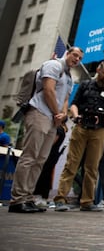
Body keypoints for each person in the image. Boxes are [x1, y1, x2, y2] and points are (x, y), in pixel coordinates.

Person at [8, 47, 83, 213]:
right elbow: (48, 90)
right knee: (29, 156)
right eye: (75, 55)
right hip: (39, 113)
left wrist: (62, 115)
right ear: (68, 54)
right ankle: (17, 200)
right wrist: (57, 113)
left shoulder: (69, 77)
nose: (77, 59)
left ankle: (27, 197)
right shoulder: (53, 65)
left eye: (80, 58)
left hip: (53, 120)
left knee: (40, 159)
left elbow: (64, 99)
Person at [54, 60, 104, 212]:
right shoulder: (85, 85)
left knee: (92, 167)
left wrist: (103, 118)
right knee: (72, 163)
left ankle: (87, 201)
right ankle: (60, 199)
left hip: (100, 130)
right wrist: (76, 116)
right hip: (81, 127)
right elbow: (74, 104)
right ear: (98, 70)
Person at [33, 124, 67, 208]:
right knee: (46, 175)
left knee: (44, 175)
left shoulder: (59, 129)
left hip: (50, 154)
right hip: (52, 154)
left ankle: (40, 196)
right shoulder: (61, 129)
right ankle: (42, 197)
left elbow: (52, 141)